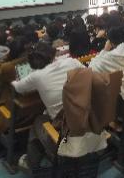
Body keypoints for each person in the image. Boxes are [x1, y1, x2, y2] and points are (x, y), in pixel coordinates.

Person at [14, 42, 86, 172]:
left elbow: (18, 88)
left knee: (38, 122)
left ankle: (31, 163)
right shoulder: (71, 62)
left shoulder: (36, 76)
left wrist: (13, 81)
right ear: (53, 54)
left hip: (68, 130)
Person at [88, 25, 124, 98]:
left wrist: (105, 50)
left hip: (119, 96)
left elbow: (91, 69)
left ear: (110, 42)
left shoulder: (110, 57)